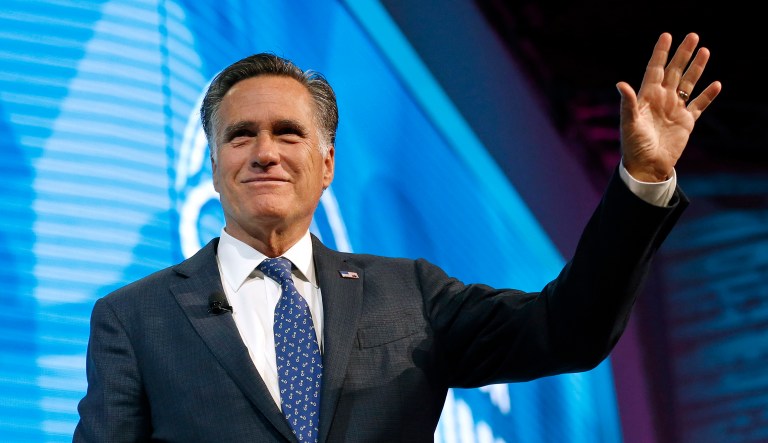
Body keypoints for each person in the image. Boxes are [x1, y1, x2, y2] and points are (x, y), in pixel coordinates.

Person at [73, 32, 721, 442]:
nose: (264, 152)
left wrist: (640, 179)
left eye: (288, 133)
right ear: (213, 165)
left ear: (327, 164)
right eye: (240, 135)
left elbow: (569, 328)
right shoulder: (135, 318)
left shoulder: (410, 292)